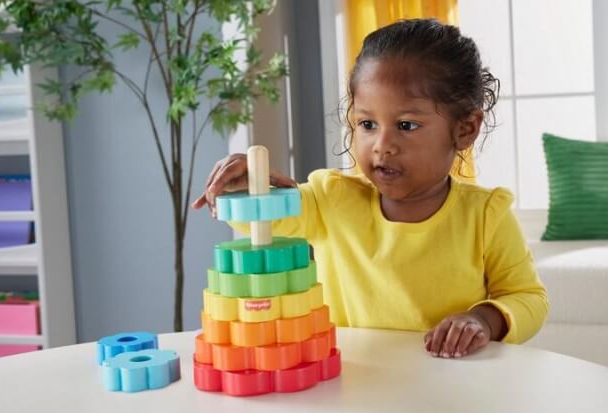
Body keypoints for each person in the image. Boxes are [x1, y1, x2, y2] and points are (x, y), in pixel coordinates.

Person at [193, 18, 548, 359]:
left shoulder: (486, 216)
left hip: (449, 387)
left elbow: (527, 298)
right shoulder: (329, 199)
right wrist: (245, 183)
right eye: (367, 123)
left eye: (406, 125)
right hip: (353, 388)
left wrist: (483, 319)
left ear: (465, 129)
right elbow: (262, 220)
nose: (382, 144)